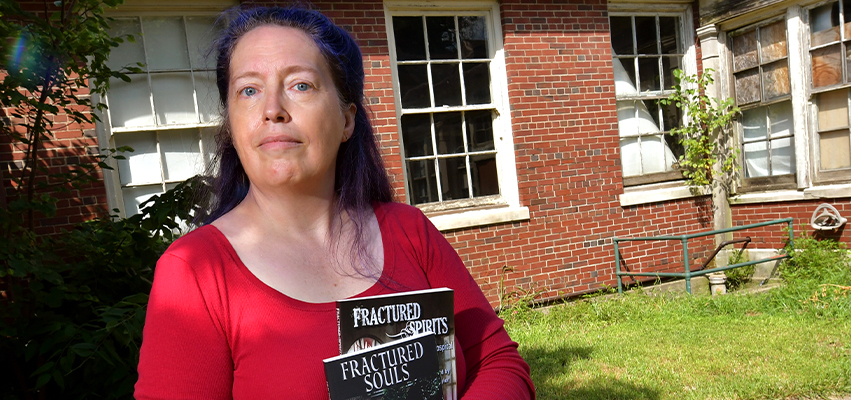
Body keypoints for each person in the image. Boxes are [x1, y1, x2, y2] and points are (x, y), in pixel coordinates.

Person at [134, 6, 535, 400]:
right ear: (232, 125)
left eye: (300, 85)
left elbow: (497, 362)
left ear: (346, 120)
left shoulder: (409, 230)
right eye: (249, 90)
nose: (272, 110)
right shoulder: (195, 272)